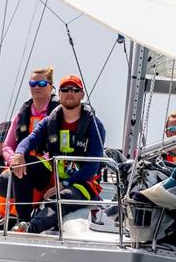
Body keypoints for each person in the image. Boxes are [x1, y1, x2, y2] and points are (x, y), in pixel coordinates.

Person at [11, 75, 106, 233]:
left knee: (62, 197)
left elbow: (92, 168)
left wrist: (62, 185)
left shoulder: (95, 125)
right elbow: (29, 140)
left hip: (81, 183)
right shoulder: (50, 121)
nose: (70, 93)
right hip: (53, 176)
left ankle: (31, 228)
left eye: (75, 90)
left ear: (82, 95)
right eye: (65, 89)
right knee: (23, 162)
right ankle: (22, 220)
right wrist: (19, 154)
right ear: (59, 94)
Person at [0, 67, 59, 228]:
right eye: (33, 83)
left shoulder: (58, 112)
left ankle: (24, 220)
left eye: (42, 83)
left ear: (51, 86)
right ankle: (8, 217)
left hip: (48, 167)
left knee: (25, 164)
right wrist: (13, 159)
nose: (37, 87)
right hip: (21, 163)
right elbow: (7, 145)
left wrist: (22, 159)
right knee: (0, 180)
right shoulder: (23, 113)